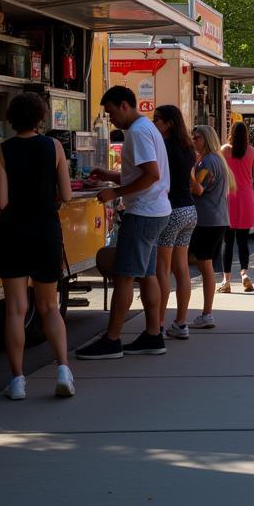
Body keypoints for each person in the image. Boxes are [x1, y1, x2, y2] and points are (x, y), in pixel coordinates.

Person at [77, 85, 171, 359]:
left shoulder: (139, 133)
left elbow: (150, 175)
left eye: (111, 113)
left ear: (124, 106)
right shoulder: (147, 129)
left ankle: (112, 339)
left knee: (125, 276)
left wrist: (114, 193)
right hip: (156, 210)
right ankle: (153, 335)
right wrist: (110, 175)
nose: (111, 120)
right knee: (147, 274)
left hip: (143, 212)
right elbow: (144, 174)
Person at [0, 91, 74, 399]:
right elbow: (65, 195)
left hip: (12, 232)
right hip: (45, 232)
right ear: (41, 118)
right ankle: (63, 369)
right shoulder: (53, 147)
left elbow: (1, 201)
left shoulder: (1, 151)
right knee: (49, 306)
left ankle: (17, 381)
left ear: (11, 118)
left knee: (15, 309)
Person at [152, 105, 198, 339]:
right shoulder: (188, 147)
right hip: (189, 209)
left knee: (162, 270)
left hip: (170, 209)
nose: (154, 123)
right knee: (182, 270)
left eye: (157, 119)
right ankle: (181, 322)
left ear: (169, 123)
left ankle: (158, 324)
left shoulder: (163, 147)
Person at [187, 125, 233, 328]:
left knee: (205, 265)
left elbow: (197, 189)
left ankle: (207, 313)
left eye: (196, 138)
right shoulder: (217, 160)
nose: (193, 141)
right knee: (205, 265)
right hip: (216, 218)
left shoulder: (208, 161)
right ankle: (206, 312)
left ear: (206, 139)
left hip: (207, 219)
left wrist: (188, 171)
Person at [219, 121, 254, 292]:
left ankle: (226, 280)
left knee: (228, 242)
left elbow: (219, 173)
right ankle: (244, 273)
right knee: (243, 240)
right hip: (246, 196)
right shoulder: (252, 151)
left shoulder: (224, 150)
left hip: (228, 196)